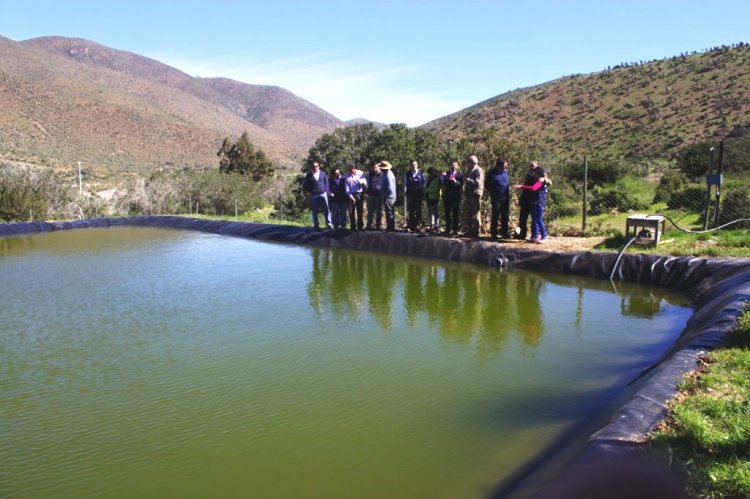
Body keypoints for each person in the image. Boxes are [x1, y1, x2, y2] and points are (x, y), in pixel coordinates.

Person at [514, 161, 550, 243]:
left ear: (538, 173)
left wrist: (521, 186)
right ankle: (535, 236)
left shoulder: (541, 181)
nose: (534, 173)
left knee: (539, 219)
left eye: (536, 172)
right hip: (534, 202)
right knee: (534, 219)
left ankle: (544, 236)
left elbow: (534, 188)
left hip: (539, 202)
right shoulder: (537, 179)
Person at [485, 157, 511, 240]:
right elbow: (487, 184)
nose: (505, 167)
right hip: (496, 198)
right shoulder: (491, 173)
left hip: (505, 197)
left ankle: (505, 233)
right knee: (495, 215)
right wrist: (493, 191)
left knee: (505, 216)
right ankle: (494, 233)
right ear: (499, 165)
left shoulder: (506, 172)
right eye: (504, 165)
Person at [302, 161, 332, 230]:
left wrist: (327, 192)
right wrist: (308, 192)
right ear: (311, 167)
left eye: (316, 166)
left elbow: (327, 183)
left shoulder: (323, 174)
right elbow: (306, 185)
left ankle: (329, 224)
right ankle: (316, 225)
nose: (315, 167)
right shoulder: (309, 175)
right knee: (315, 210)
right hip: (314, 195)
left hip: (323, 194)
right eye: (313, 166)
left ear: (319, 166)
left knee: (326, 209)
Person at [516, 161, 538, 241]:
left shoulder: (538, 177)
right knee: (522, 219)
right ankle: (523, 234)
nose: (532, 167)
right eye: (530, 166)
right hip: (525, 200)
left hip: (533, 201)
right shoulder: (528, 175)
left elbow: (533, 188)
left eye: (533, 166)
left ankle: (533, 235)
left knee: (534, 219)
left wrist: (522, 186)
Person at [463, 155, 484, 238]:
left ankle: (476, 231)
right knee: (469, 214)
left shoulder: (479, 170)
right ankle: (470, 230)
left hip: (475, 194)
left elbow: (478, 183)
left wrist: (469, 180)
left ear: (473, 163)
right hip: (469, 194)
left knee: (475, 214)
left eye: (468, 162)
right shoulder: (469, 170)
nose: (467, 164)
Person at [404, 160, 426, 232]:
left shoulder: (421, 173)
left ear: (417, 165)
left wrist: (423, 192)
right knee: (411, 210)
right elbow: (406, 184)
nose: (414, 166)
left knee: (418, 210)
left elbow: (424, 183)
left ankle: (418, 225)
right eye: (412, 165)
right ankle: (411, 225)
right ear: (410, 166)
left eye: (415, 164)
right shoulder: (407, 174)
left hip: (418, 195)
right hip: (410, 194)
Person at [442, 160, 463, 236]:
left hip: (455, 196)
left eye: (455, 165)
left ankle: (455, 230)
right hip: (447, 196)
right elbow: (443, 182)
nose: (453, 166)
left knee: (455, 213)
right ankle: (448, 229)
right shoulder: (447, 174)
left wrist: (455, 181)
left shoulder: (460, 175)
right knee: (447, 213)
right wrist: (443, 176)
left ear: (457, 166)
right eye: (452, 165)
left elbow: (460, 184)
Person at [344, 162, 367, 230]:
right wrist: (351, 196)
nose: (351, 171)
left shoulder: (360, 173)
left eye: (353, 169)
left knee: (359, 211)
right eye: (350, 169)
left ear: (355, 168)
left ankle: (360, 226)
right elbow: (346, 187)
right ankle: (353, 226)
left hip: (359, 193)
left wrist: (358, 180)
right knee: (351, 212)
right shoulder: (346, 175)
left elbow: (365, 182)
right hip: (351, 194)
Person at [379, 161, 397, 232]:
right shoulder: (386, 174)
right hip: (388, 196)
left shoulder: (388, 176)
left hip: (389, 197)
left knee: (389, 212)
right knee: (389, 212)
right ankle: (390, 226)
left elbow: (390, 188)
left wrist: (385, 196)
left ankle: (391, 227)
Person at [365, 162, 383, 230]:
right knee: (370, 212)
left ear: (379, 167)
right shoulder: (369, 174)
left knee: (378, 212)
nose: (374, 169)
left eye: (375, 167)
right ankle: (368, 226)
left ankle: (378, 226)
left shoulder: (382, 175)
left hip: (379, 195)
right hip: (370, 195)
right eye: (373, 168)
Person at [424, 167, 442, 232]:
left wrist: (425, 190)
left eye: (430, 173)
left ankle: (436, 226)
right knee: (430, 212)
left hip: (435, 198)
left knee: (435, 212)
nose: (430, 174)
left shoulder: (437, 179)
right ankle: (431, 225)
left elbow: (435, 189)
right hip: (429, 198)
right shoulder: (429, 180)